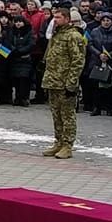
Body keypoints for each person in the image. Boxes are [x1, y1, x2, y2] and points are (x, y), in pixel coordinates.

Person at [39, 9, 87, 158]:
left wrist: (72, 83)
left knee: (67, 116)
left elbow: (78, 61)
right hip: (53, 81)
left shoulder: (74, 36)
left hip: (65, 82)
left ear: (67, 19)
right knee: (56, 115)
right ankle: (58, 142)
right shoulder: (56, 34)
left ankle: (67, 145)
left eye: (58, 17)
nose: (55, 20)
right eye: (54, 17)